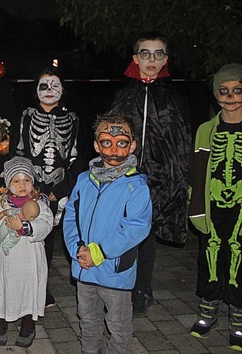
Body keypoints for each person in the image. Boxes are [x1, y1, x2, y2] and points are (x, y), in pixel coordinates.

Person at [109, 32, 192, 315]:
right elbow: (112, 135)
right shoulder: (124, 95)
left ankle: (142, 288)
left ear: (166, 59)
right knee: (123, 231)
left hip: (158, 177)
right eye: (145, 53)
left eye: (158, 54)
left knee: (147, 235)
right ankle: (120, 285)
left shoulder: (173, 97)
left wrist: (175, 177)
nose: (151, 60)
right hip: (126, 177)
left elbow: (180, 141)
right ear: (136, 59)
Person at [63, 113, 152, 354]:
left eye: (121, 142)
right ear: (96, 145)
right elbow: (70, 216)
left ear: (132, 145)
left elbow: (136, 227)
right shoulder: (84, 180)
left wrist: (99, 252)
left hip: (115, 271)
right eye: (106, 142)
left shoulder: (136, 186)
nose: (113, 149)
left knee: (118, 324)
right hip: (84, 268)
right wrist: (77, 248)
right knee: (87, 319)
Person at [12, 66, 87, 307]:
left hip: (58, 190)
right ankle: (22, 286)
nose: (49, 90)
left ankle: (41, 288)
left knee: (47, 240)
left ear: (63, 89)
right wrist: (25, 184)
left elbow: (77, 158)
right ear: (35, 90)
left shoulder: (73, 119)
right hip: (29, 187)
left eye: (55, 85)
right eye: (43, 85)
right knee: (24, 236)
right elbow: (19, 151)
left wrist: (62, 188)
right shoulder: (26, 116)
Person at [187, 63, 242, 349]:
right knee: (209, 252)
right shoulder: (206, 129)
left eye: (237, 90)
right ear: (216, 94)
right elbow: (196, 171)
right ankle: (208, 311)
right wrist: (194, 206)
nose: (230, 96)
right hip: (213, 202)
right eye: (224, 90)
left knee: (240, 255)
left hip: (241, 206)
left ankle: (239, 318)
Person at [0, 156, 53, 347]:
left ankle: (28, 324)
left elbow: (46, 225)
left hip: (29, 259)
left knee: (29, 290)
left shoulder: (40, 205)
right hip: (4, 260)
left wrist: (25, 226)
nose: (22, 185)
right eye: (16, 181)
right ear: (7, 184)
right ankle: (0, 322)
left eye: (27, 180)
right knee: (2, 288)